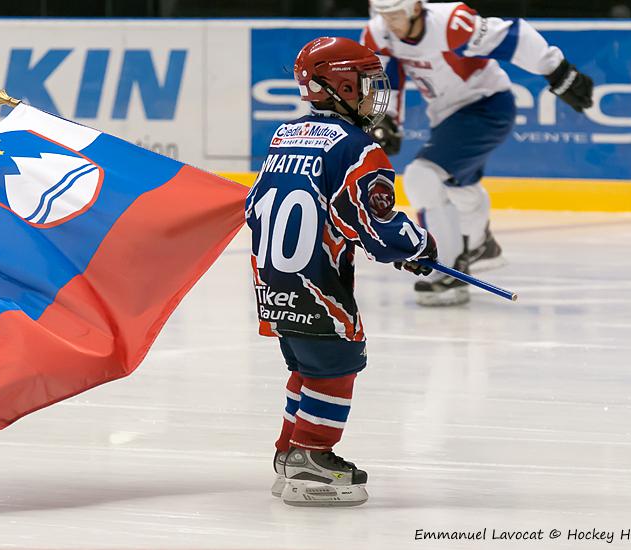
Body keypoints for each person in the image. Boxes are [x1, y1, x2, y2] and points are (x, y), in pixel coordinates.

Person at [245, 36, 437, 507]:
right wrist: (418, 245)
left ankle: (288, 451)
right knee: (337, 366)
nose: (376, 94)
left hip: (272, 283)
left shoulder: (282, 137)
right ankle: (312, 455)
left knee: (306, 367)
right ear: (342, 86)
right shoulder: (357, 149)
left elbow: (260, 205)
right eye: (367, 84)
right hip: (318, 284)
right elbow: (376, 226)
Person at [361, 0, 594, 305]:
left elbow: (514, 36)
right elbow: (386, 75)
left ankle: (448, 270)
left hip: (487, 107)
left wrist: (557, 69)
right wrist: (386, 118)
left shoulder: (451, 23)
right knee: (460, 185)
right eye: (383, 15)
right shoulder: (378, 33)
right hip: (446, 117)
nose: (388, 22)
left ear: (415, 8)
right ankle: (481, 244)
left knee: (422, 176)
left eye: (395, 15)